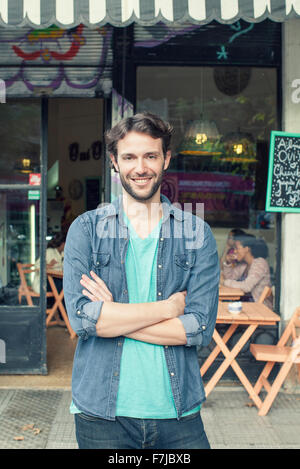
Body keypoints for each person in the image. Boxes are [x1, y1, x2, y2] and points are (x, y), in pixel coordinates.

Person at [63, 112, 220, 450]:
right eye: (130, 157)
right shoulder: (86, 230)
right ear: (114, 162)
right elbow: (82, 320)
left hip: (178, 414)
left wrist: (113, 314)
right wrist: (167, 308)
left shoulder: (196, 233)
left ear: (165, 158)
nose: (140, 167)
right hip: (101, 415)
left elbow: (197, 329)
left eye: (150, 155)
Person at [220, 233, 273, 308]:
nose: (234, 251)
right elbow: (231, 278)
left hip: (258, 307)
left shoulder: (260, 263)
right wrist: (228, 262)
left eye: (237, 248)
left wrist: (224, 282)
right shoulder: (244, 265)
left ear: (246, 249)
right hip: (244, 304)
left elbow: (247, 286)